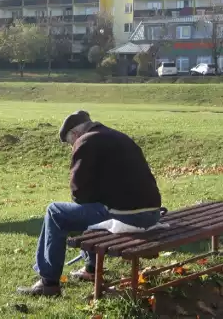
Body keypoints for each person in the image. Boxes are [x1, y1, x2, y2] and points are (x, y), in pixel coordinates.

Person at [17, 110, 162, 297]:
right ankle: (91, 270)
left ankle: (48, 282)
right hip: (152, 213)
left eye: (71, 143)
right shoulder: (118, 136)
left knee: (55, 211)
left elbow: (78, 193)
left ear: (76, 135)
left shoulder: (86, 142)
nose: (72, 147)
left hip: (126, 217)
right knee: (91, 209)